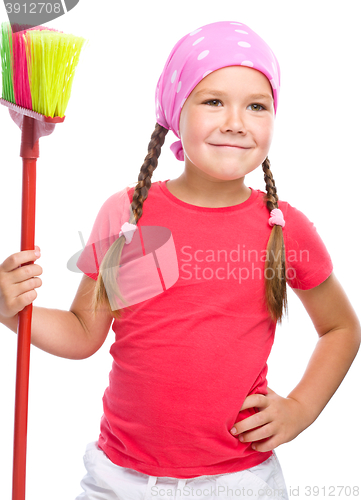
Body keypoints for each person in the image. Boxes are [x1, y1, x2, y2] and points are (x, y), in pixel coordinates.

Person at [0, 20, 360, 500]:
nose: (235, 121)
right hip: (119, 479)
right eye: (213, 101)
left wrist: (299, 409)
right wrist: (12, 311)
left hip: (238, 481)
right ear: (175, 110)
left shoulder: (281, 226)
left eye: (256, 106)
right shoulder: (131, 213)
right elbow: (83, 333)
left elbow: (341, 328)